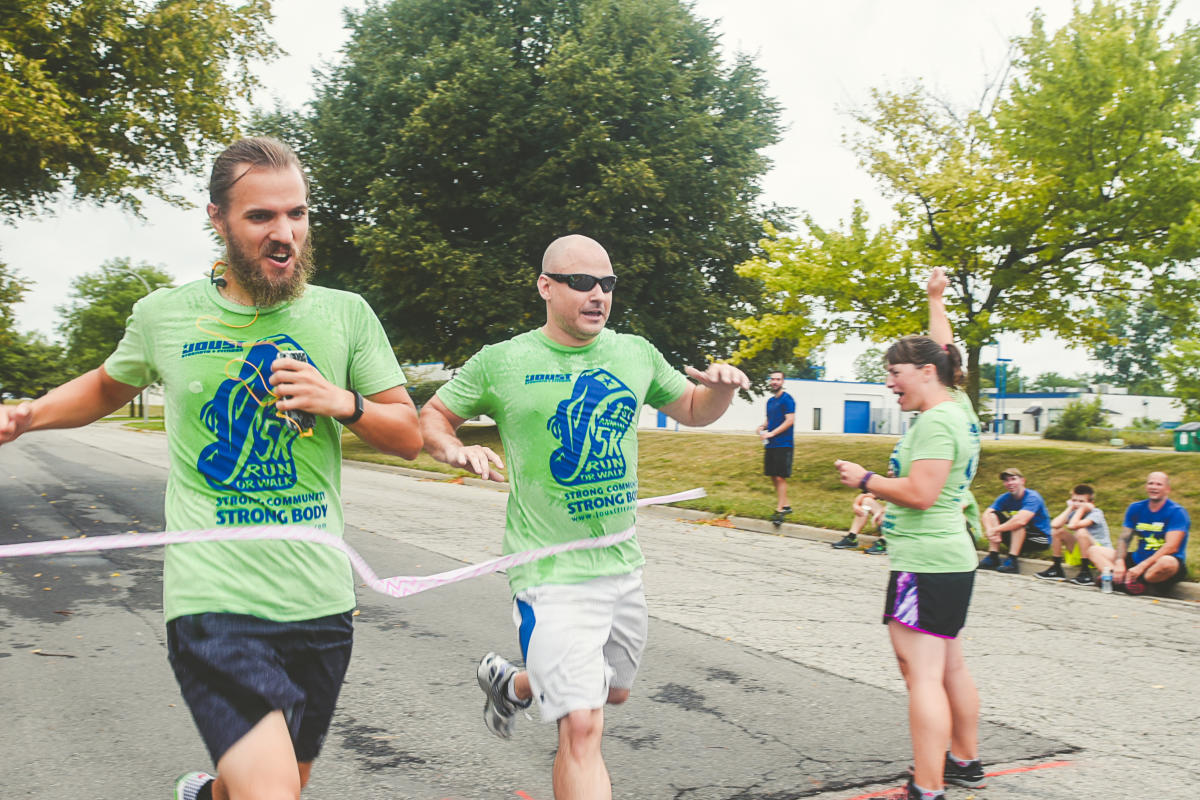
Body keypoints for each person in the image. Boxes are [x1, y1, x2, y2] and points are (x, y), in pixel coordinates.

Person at [0, 137, 422, 800]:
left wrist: (340, 401)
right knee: (272, 790)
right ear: (218, 219)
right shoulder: (165, 315)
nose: (285, 234)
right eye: (261, 218)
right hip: (214, 602)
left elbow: (407, 436)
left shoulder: (346, 315)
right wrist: (29, 416)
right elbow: (109, 386)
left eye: (298, 214)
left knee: (275, 781)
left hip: (319, 603)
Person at [419, 234, 748, 800]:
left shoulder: (635, 353)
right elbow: (433, 415)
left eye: (607, 284)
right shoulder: (504, 361)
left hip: (621, 566)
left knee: (613, 691)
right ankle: (537, 684)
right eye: (582, 282)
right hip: (549, 576)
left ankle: (514, 683)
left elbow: (693, 410)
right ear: (546, 287)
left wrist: (718, 392)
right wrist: (454, 449)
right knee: (583, 724)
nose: (598, 295)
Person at [833, 269, 985, 800]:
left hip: (927, 560)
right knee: (949, 663)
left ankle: (927, 785)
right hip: (948, 558)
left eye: (895, 373)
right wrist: (936, 299)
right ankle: (964, 760)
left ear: (924, 373)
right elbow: (944, 348)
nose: (889, 383)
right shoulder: (958, 406)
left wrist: (867, 480)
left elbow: (922, 492)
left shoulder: (937, 423)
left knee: (920, 673)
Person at [1100, 472, 1190, 595]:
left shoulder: (1177, 512)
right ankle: (1120, 578)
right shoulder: (1135, 508)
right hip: (1139, 558)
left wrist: (1142, 566)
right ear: (1146, 487)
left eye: (1159, 484)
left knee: (1167, 562)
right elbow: (1124, 539)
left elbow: (1171, 547)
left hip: (1161, 563)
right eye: (1150, 483)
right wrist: (1119, 561)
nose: (1154, 487)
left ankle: (1135, 582)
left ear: (1167, 489)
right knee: (1095, 551)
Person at [978, 468, 1052, 574]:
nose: (1010, 483)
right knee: (992, 515)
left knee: (1017, 522)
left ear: (1022, 481)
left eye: (1013, 479)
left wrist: (995, 530)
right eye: (1006, 480)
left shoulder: (1032, 497)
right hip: (1018, 538)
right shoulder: (1004, 498)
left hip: (1039, 539)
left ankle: (1012, 560)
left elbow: (1021, 521)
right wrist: (990, 530)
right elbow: (986, 514)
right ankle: (993, 556)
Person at [1034, 484, 1111, 586]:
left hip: (1098, 555)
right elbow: (1054, 524)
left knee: (1081, 531)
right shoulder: (1074, 511)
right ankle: (1056, 568)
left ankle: (1085, 572)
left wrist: (1082, 509)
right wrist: (1070, 508)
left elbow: (1073, 526)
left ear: (1091, 503)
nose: (1077, 504)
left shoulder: (1096, 513)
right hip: (1081, 552)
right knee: (1057, 531)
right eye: (1074, 500)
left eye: (1081, 502)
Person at [756, 370, 795, 525]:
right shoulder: (770, 402)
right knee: (773, 475)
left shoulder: (788, 400)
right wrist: (761, 427)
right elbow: (769, 420)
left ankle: (779, 511)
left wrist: (772, 434)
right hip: (771, 444)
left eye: (778, 379)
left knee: (780, 476)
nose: (775, 382)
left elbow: (789, 420)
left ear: (783, 381)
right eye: (772, 379)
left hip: (784, 444)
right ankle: (786, 505)